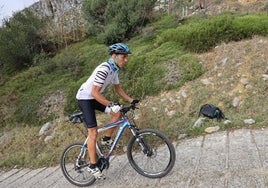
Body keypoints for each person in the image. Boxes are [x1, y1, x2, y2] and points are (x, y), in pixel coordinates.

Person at [76, 43, 139, 179]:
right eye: (124, 57)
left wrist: (131, 100)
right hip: (85, 98)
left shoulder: (114, 69)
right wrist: (110, 104)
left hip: (94, 96)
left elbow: (118, 89)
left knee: (118, 113)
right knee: (92, 132)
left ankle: (106, 139)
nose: (126, 60)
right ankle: (93, 166)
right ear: (115, 56)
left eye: (127, 57)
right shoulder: (104, 69)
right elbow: (94, 92)